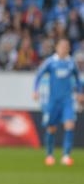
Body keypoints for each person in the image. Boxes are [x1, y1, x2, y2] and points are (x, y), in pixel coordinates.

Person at [33, 38, 83, 166]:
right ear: (57, 48)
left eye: (66, 46)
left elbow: (78, 79)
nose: (64, 48)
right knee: (51, 128)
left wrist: (80, 93)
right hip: (53, 101)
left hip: (67, 100)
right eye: (62, 46)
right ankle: (49, 155)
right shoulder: (51, 62)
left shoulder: (71, 63)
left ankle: (66, 156)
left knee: (69, 125)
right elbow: (39, 75)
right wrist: (35, 90)